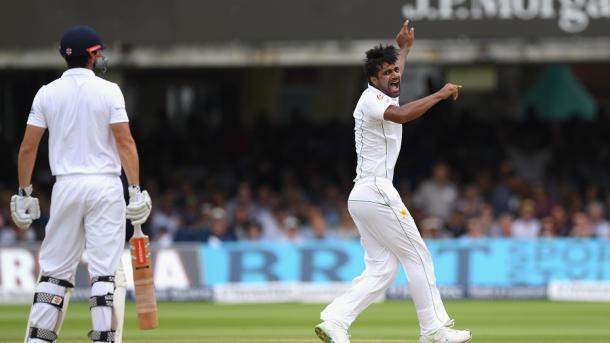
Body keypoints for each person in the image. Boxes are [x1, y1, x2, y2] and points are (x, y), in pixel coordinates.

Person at [315, 21, 471, 343]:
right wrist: (440, 94)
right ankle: (433, 330)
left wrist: (405, 49)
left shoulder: (382, 89)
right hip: (376, 190)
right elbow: (401, 116)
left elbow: (395, 72)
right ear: (373, 80)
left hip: (363, 195)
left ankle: (335, 321)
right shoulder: (372, 100)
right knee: (417, 254)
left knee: (381, 271)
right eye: (386, 73)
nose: (394, 75)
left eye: (394, 70)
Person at [10, 26, 152, 343]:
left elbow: (28, 147)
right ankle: (104, 337)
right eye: (98, 52)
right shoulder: (110, 90)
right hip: (105, 186)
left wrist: (24, 192)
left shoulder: (46, 92)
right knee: (104, 272)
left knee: (55, 272)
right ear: (91, 55)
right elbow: (125, 142)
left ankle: (38, 339)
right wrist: (135, 189)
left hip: (66, 187)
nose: (101, 57)